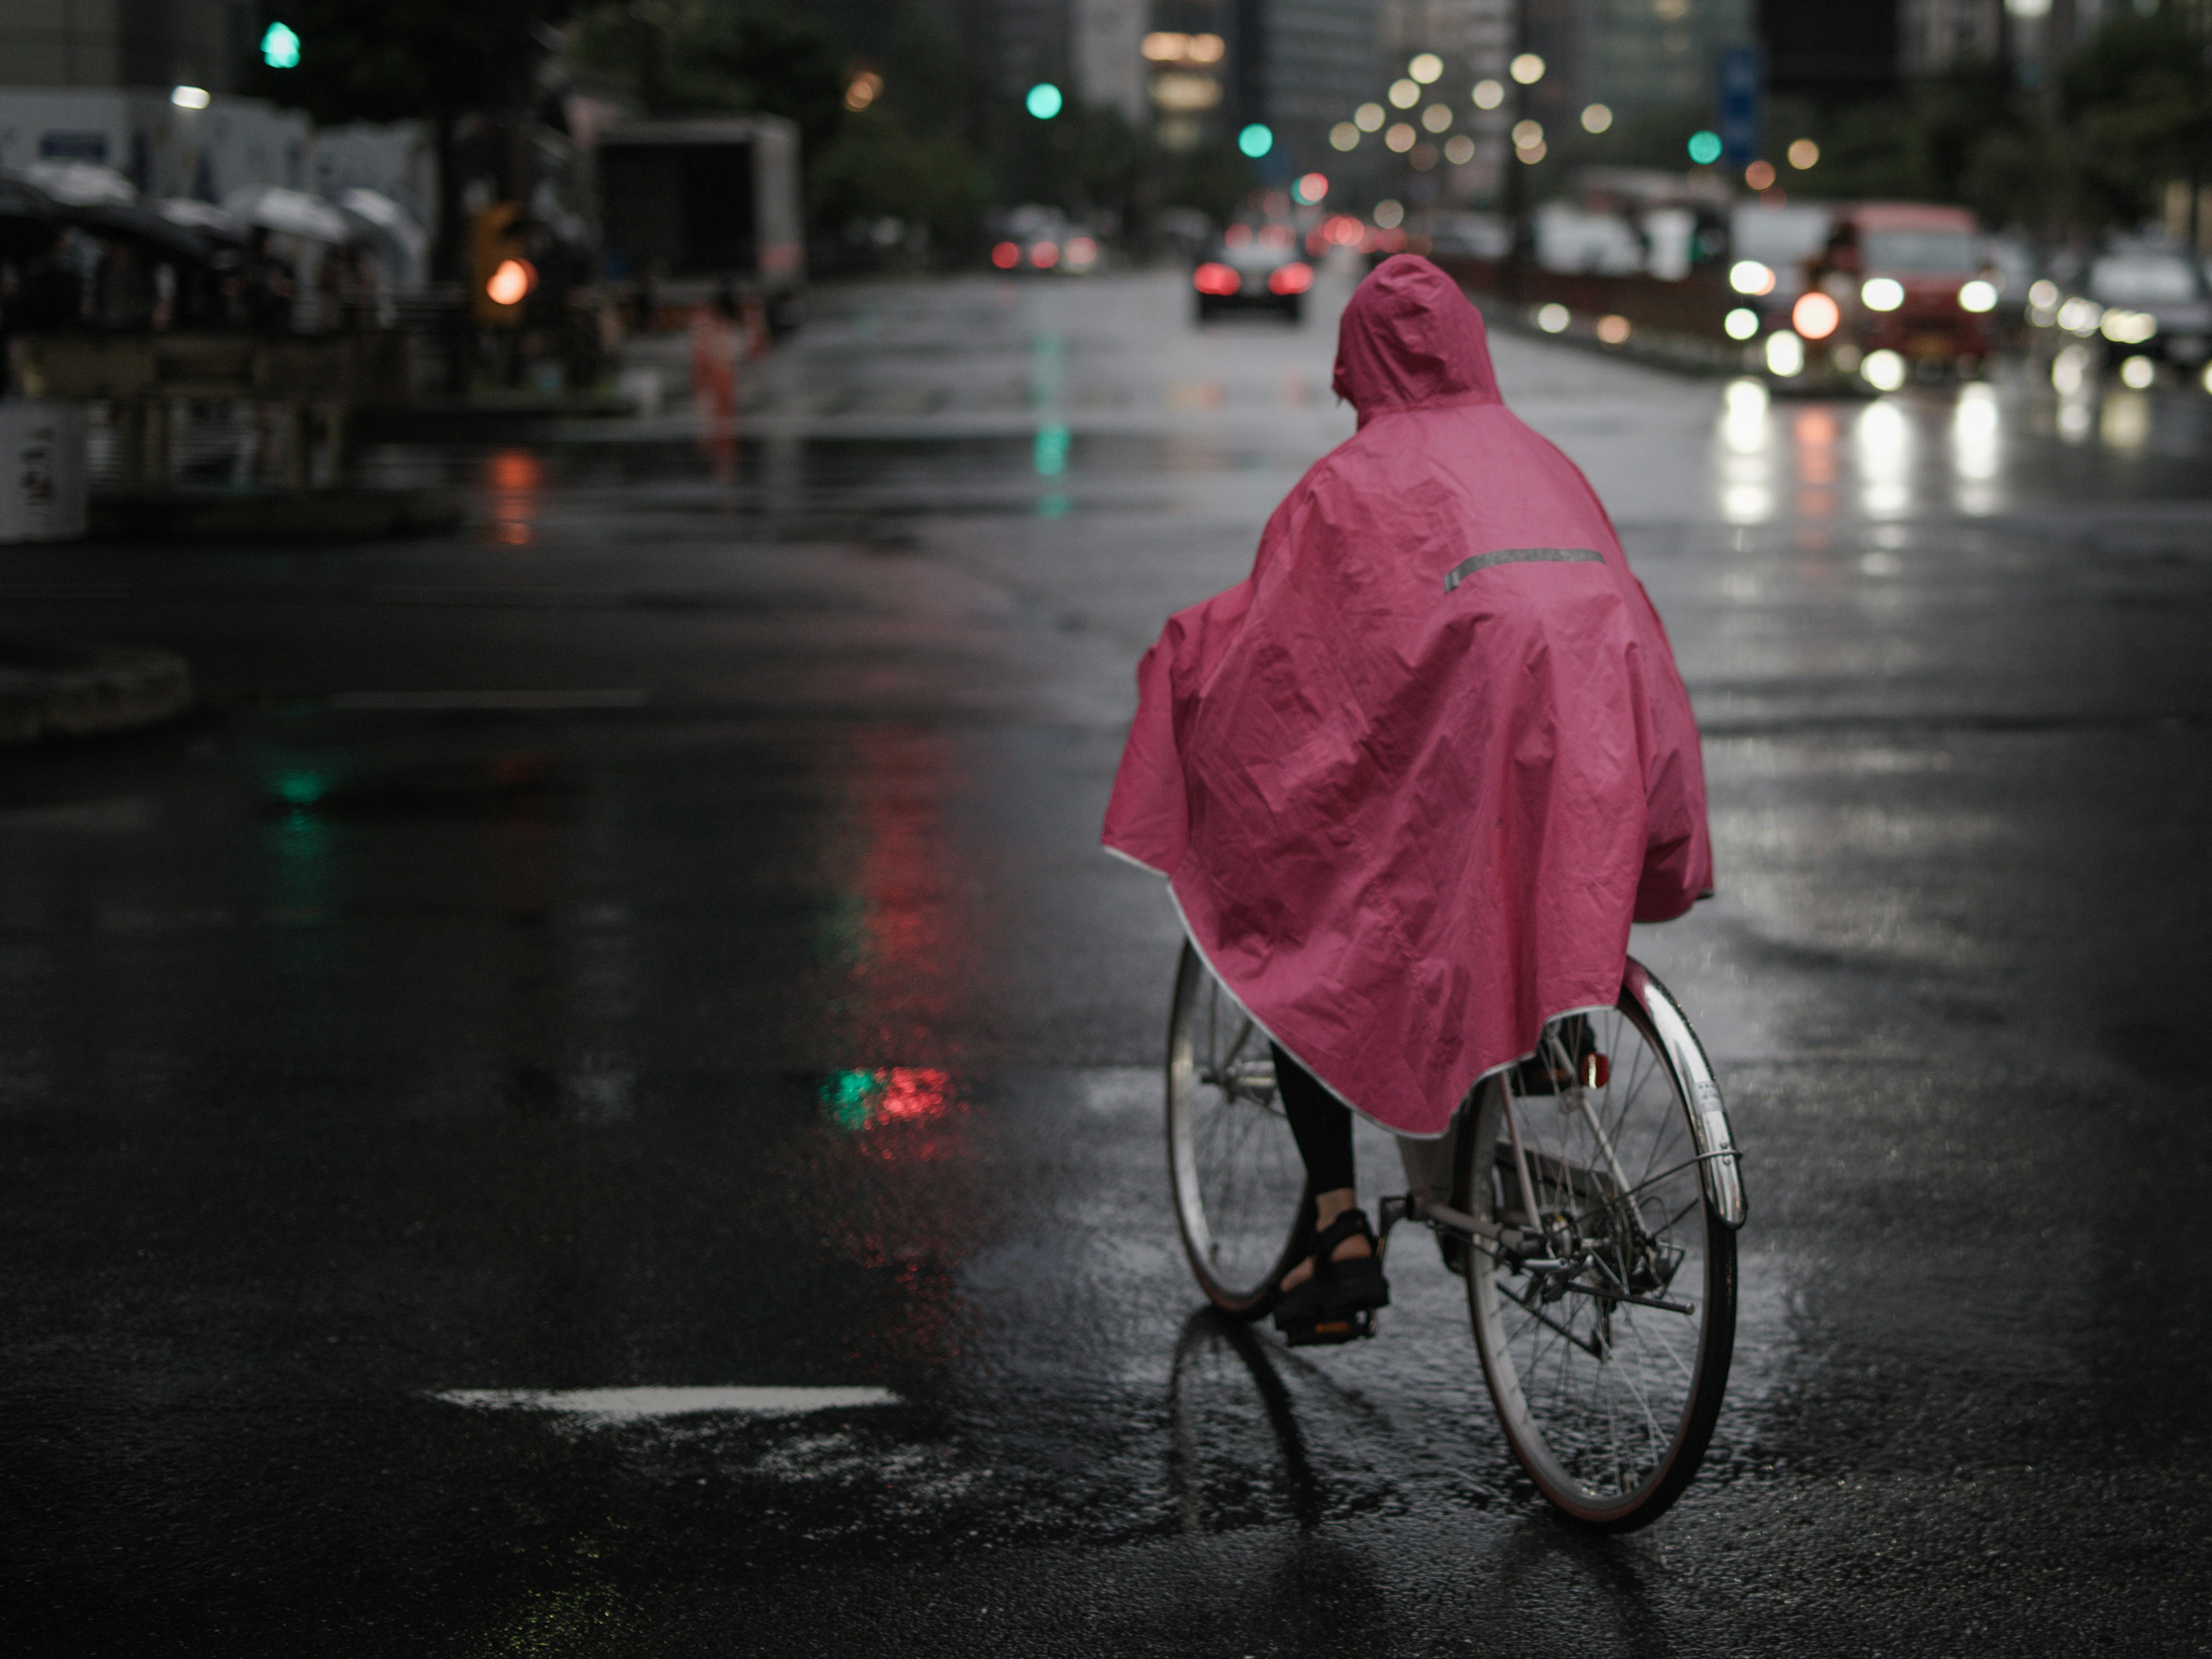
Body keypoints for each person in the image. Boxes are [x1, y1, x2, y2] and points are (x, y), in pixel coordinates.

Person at [1103, 255, 1713, 1345]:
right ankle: (1520, 1068)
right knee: (1504, 894)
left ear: (1360, 361)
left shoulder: (1351, 482)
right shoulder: (1544, 460)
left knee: (1301, 920)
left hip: (1468, 761)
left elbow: (1288, 657)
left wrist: (1190, 666)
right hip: (1588, 765)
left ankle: (1338, 1225)